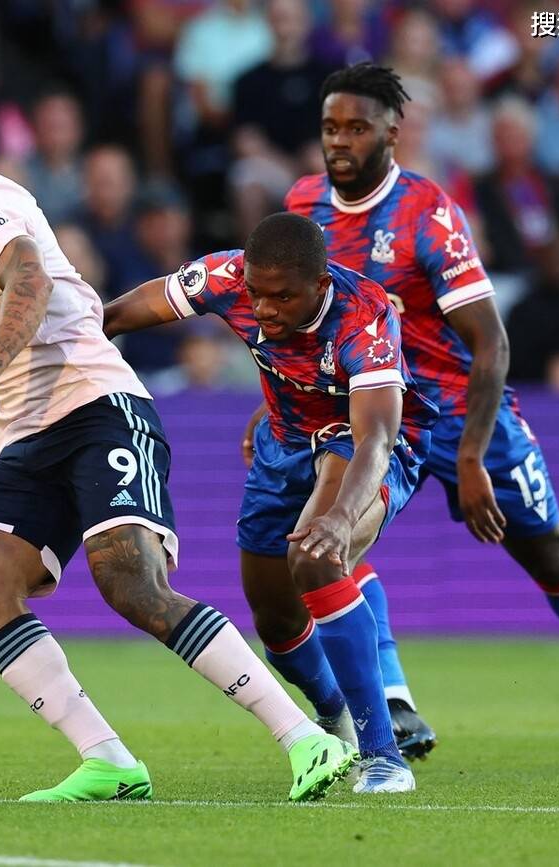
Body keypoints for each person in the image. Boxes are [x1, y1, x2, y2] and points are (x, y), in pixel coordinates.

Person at [0, 82, 354, 803]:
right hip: (26, 432)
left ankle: (305, 737)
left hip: (98, 408)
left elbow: (28, 278)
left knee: (132, 582)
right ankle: (107, 760)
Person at [282, 62, 559, 766]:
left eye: (356, 128)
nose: (339, 141)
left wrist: (471, 456)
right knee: (331, 539)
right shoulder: (303, 205)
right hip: (376, 415)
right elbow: (295, 322)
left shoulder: (428, 213)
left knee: (549, 553)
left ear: (392, 133)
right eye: (329, 128)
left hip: (460, 408)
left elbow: (491, 340)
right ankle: (395, 701)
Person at [104, 212, 439, 793]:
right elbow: (117, 316)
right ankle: (335, 715)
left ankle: (384, 757)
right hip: (281, 445)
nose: (263, 309)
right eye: (257, 293)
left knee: (315, 556)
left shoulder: (364, 318)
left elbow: (376, 438)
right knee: (276, 623)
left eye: (282, 297)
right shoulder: (228, 277)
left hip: (361, 445)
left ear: (320, 283)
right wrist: (57, 339)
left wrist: (341, 518)